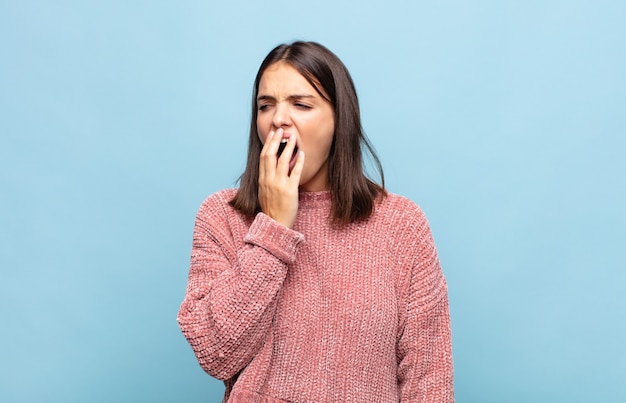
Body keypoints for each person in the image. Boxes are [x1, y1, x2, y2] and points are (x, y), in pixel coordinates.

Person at [177, 41, 454, 402]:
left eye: (301, 104)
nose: (278, 119)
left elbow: (428, 378)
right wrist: (273, 228)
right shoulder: (223, 216)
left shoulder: (401, 224)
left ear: (340, 119)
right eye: (265, 106)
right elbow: (216, 352)